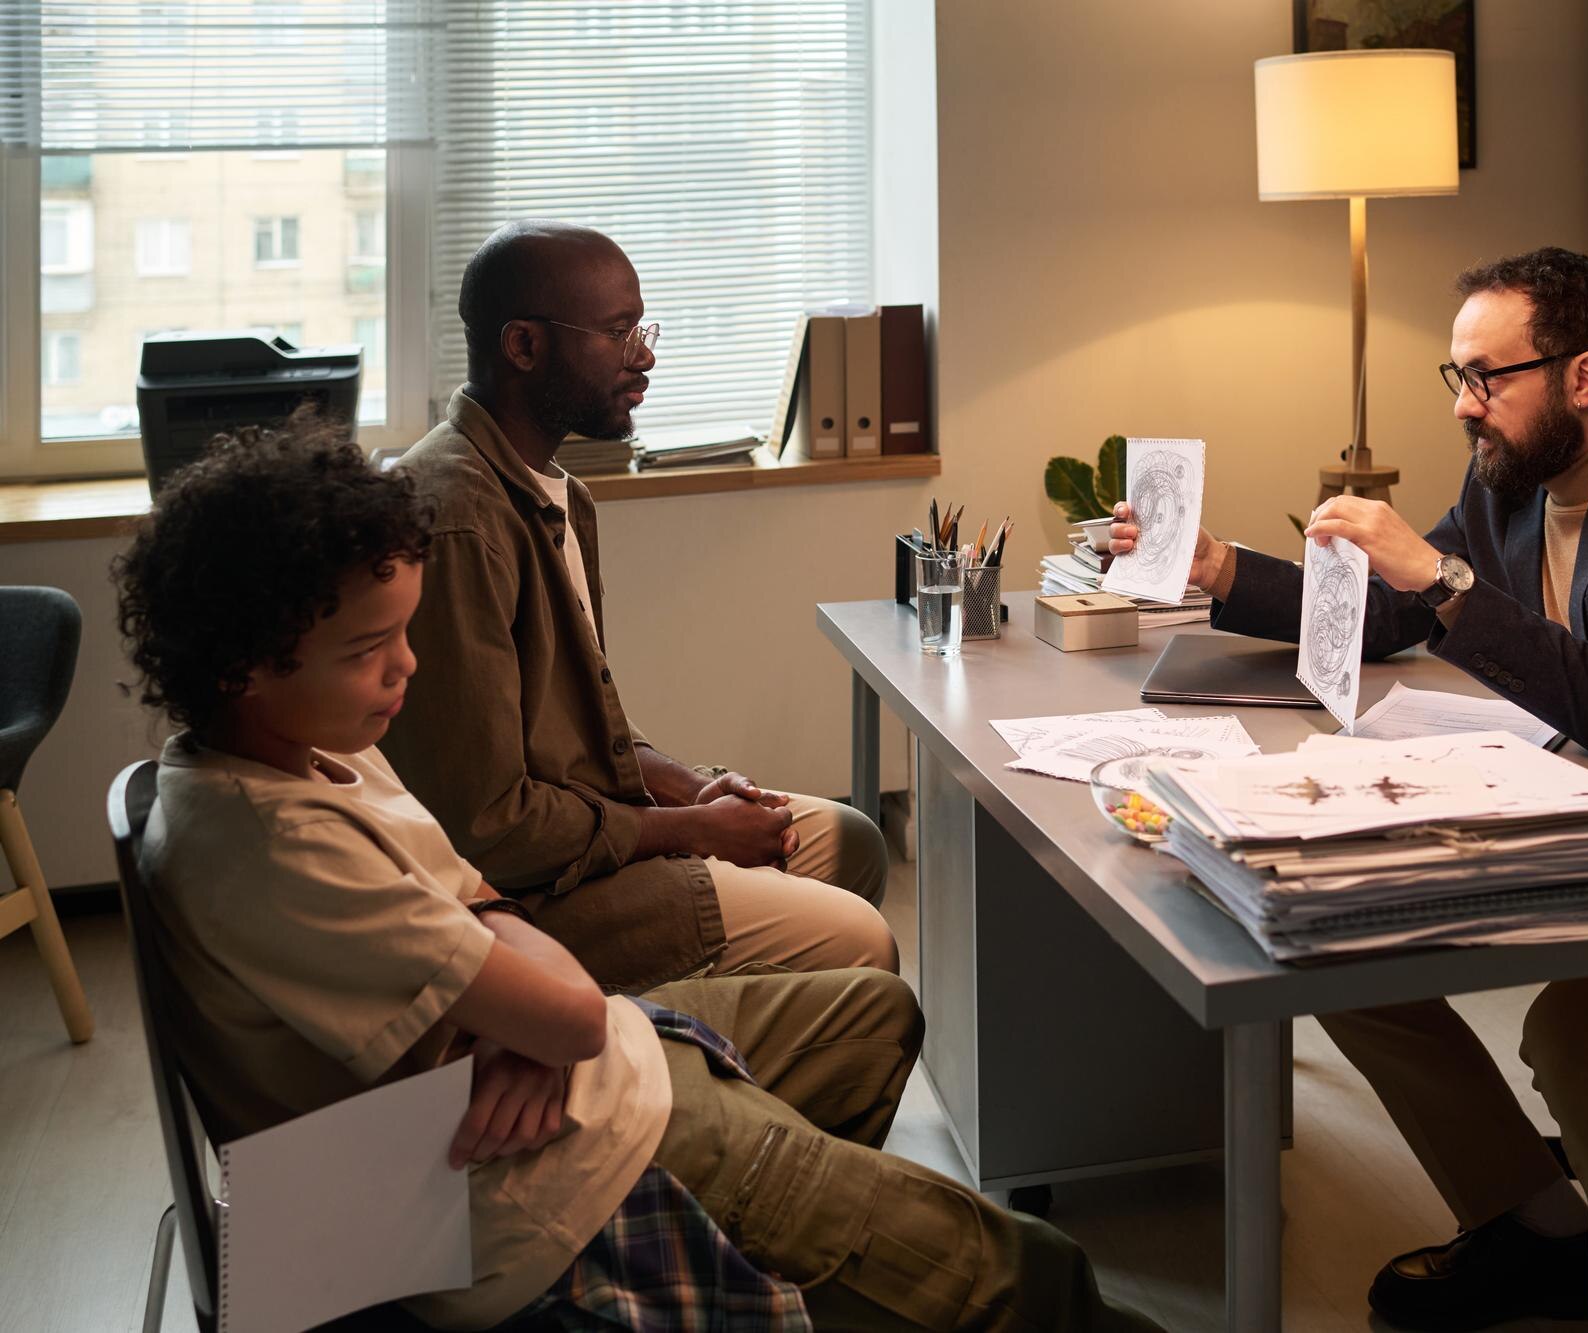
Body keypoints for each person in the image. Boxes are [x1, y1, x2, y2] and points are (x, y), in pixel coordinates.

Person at [116, 418, 1163, 1332]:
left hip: (564, 1079)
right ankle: (780, 1236)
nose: (408, 666)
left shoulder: (302, 743)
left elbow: (478, 896)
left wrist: (526, 1014)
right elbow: (560, 999)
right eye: (369, 648)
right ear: (243, 664)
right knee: (1028, 1274)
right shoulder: (273, 844)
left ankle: (790, 1250)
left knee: (874, 1015)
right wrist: (538, 1014)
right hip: (539, 1178)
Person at [1110, 247, 1588, 1333]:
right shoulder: (1510, 480)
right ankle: (1536, 1228)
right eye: (1455, 376)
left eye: (1485, 377)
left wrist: (1438, 574)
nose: (1463, 404)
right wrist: (1223, 568)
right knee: (1338, 952)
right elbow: (1396, 613)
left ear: (1584, 377)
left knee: (1581, 1041)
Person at [380, 221, 894, 993]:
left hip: (587, 828)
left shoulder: (559, 494)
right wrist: (689, 829)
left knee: (849, 840)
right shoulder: (459, 523)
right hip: (530, 899)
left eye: (642, 329)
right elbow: (488, 827)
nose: (644, 356)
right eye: (619, 333)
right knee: (864, 941)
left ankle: (743, 1026)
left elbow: (580, 730)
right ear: (524, 345)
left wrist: (694, 789)